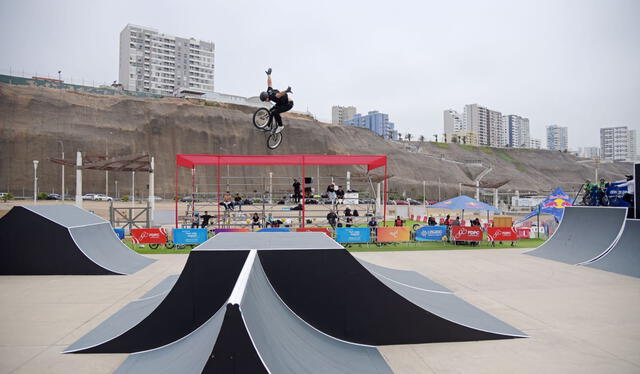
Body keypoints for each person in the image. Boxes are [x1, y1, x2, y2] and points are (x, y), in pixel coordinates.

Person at [259, 68, 293, 134]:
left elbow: (279, 95)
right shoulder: (269, 91)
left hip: (288, 104)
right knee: (271, 110)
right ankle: (268, 125)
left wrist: (287, 91)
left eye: (265, 101)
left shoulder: (273, 95)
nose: (266, 102)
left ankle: (280, 126)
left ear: (266, 98)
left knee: (275, 112)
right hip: (281, 103)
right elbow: (269, 83)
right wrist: (269, 75)